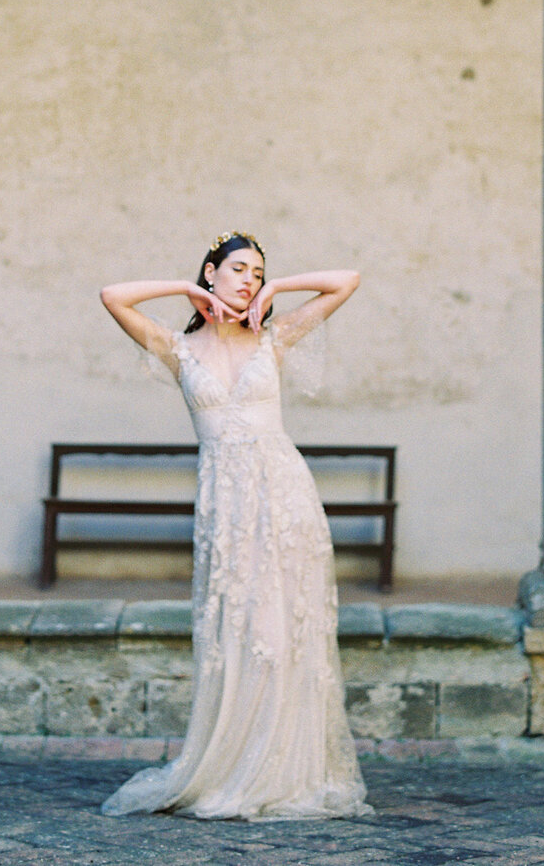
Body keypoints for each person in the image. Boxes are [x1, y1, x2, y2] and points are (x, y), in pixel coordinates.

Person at [97, 231, 369, 822]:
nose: (248, 279)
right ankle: (233, 763)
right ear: (212, 273)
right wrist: (184, 290)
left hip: (285, 495)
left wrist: (278, 287)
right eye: (239, 269)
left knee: (283, 629)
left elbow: (345, 280)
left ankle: (285, 769)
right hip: (226, 504)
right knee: (239, 630)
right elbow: (113, 295)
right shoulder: (177, 349)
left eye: (257, 272)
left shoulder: (275, 338)